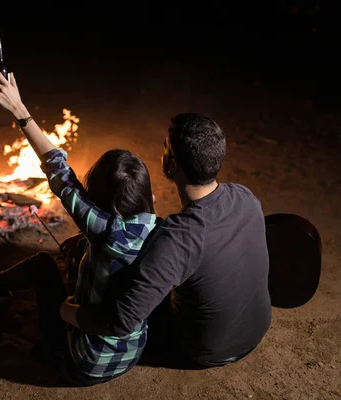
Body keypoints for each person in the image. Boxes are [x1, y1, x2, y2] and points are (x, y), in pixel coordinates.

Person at [0, 66, 160, 386]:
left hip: (83, 364)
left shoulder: (104, 230)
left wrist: (20, 110)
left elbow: (60, 174)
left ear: (102, 197)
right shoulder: (158, 226)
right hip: (132, 352)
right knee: (79, 252)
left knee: (42, 265)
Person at [60, 113, 272, 369]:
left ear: (171, 164)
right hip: (254, 334)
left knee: (123, 281)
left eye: (165, 147)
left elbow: (121, 323)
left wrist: (69, 313)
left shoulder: (178, 238)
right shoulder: (245, 196)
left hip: (202, 351)